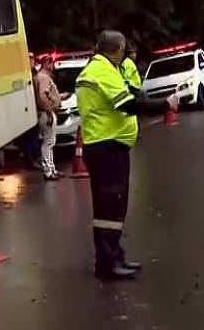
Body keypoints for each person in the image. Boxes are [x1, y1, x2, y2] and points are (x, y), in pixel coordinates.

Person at [76, 30, 178, 280]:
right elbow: (127, 104)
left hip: (105, 146)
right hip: (106, 148)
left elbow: (131, 94)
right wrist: (166, 104)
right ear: (118, 50)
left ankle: (114, 256)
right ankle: (108, 264)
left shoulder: (97, 69)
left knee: (110, 207)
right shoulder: (103, 71)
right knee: (110, 207)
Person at [34, 55, 62, 180]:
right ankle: (48, 170)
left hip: (43, 113)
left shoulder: (39, 77)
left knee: (49, 142)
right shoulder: (44, 77)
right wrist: (49, 110)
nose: (53, 66)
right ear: (46, 63)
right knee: (48, 142)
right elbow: (43, 94)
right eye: (51, 63)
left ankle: (51, 168)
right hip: (46, 113)